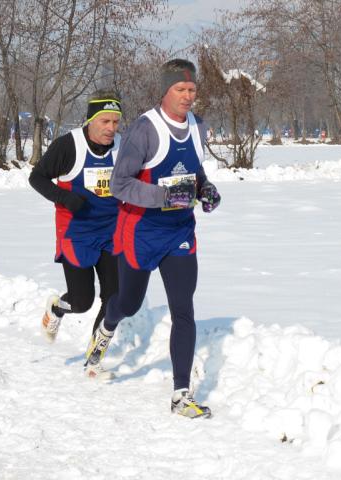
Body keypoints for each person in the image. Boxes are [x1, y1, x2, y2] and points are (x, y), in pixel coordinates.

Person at [83, 59, 221, 418]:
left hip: (179, 233)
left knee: (184, 310)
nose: (188, 96)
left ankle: (180, 395)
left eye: (192, 90)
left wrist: (205, 189)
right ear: (165, 90)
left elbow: (195, 169)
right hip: (140, 232)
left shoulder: (199, 126)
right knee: (128, 304)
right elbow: (119, 184)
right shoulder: (145, 130)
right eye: (180, 89)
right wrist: (164, 197)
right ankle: (106, 327)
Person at [29, 90, 123, 380]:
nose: (111, 128)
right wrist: (64, 198)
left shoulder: (123, 147)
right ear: (91, 120)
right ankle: (58, 307)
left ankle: (94, 359)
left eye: (116, 122)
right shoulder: (69, 146)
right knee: (82, 301)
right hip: (76, 231)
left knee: (114, 299)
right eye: (104, 121)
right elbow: (37, 178)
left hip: (111, 231)